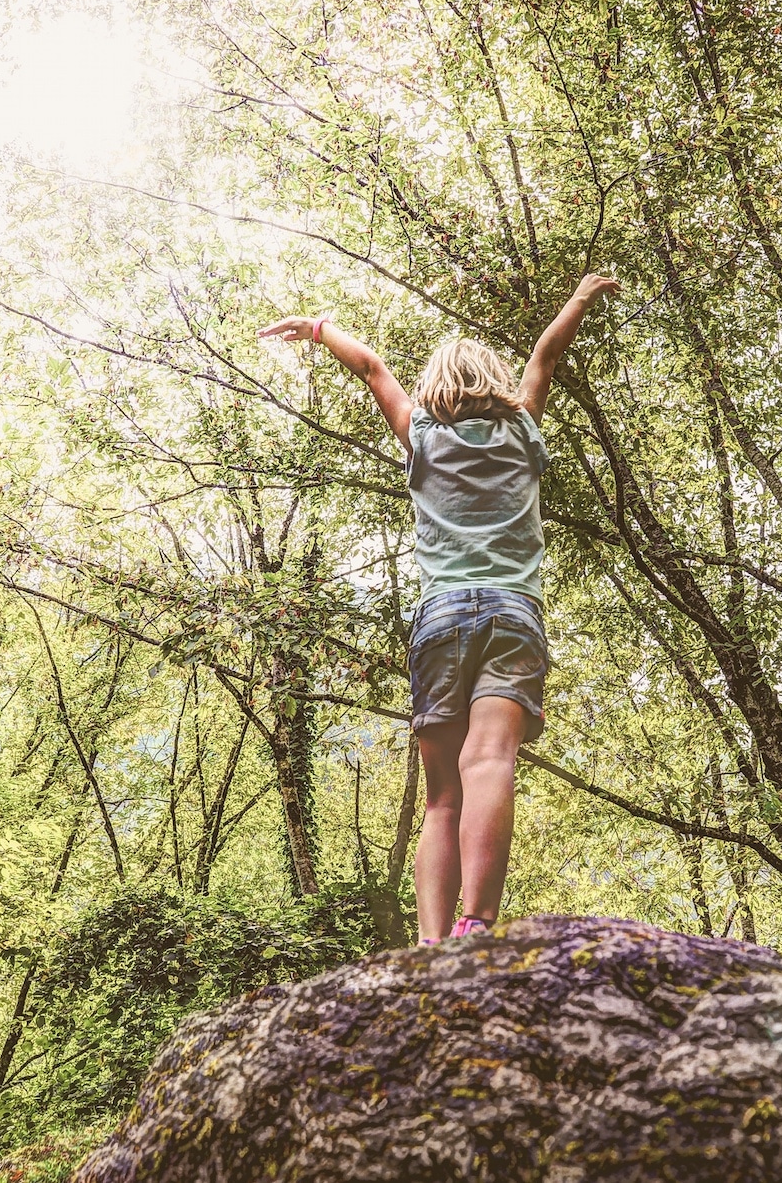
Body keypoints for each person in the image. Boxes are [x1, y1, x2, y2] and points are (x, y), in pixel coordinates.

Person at [260, 274, 619, 942]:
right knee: (490, 761)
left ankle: (429, 943)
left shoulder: (422, 433)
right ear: (495, 381)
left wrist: (314, 328)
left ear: (436, 384)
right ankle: (475, 923)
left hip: (441, 620)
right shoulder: (520, 427)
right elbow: (546, 357)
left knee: (442, 797)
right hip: (514, 615)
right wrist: (577, 298)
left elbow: (371, 367)